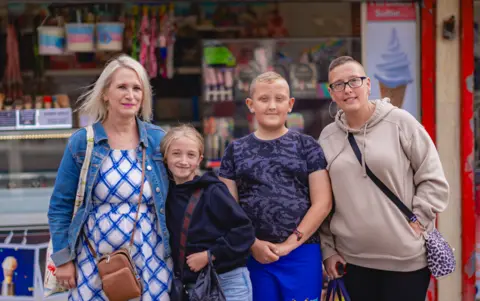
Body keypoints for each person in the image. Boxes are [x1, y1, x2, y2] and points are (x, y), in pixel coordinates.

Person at [319, 56, 450, 301]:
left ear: (368, 84)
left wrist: (419, 220)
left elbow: (433, 178)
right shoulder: (327, 137)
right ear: (332, 93)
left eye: (354, 81)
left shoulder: (400, 122)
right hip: (352, 261)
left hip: (405, 261)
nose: (347, 89)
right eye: (339, 84)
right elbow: (323, 200)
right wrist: (327, 249)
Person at [48, 55, 173, 300]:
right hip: (94, 257)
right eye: (122, 87)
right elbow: (60, 205)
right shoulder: (84, 142)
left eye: (137, 88)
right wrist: (63, 260)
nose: (130, 95)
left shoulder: (158, 140)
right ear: (105, 93)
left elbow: (182, 195)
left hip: (151, 256)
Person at [219, 71, 332, 301]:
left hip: (302, 253)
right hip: (254, 255)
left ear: (290, 104)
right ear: (251, 105)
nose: (272, 106)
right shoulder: (235, 150)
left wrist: (290, 244)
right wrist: (253, 244)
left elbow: (323, 202)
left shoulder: (307, 146)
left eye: (279, 99)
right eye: (264, 99)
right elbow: (229, 208)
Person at [161, 125, 255, 301]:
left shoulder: (212, 191)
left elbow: (244, 232)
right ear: (165, 157)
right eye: (176, 153)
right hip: (193, 286)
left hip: (227, 281)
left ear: (199, 160)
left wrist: (209, 255)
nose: (183, 160)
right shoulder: (165, 194)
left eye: (190, 155)